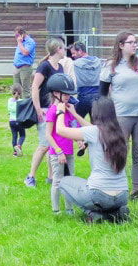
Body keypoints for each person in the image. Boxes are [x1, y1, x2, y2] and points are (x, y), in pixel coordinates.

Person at [100, 31, 138, 199]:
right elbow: (102, 94)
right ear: (121, 45)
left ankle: (136, 189)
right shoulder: (111, 65)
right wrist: (103, 118)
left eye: (136, 42)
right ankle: (118, 186)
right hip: (121, 116)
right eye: (131, 42)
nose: (135, 45)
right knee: (120, 152)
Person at [57, 97, 130, 223]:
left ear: (96, 113)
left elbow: (60, 130)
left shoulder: (93, 132)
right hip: (122, 196)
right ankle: (116, 212)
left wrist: (60, 112)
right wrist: (74, 114)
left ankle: (93, 213)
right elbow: (93, 129)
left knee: (63, 182)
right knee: (108, 201)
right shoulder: (119, 132)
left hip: (99, 195)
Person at [24, 38, 66, 188]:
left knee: (52, 145)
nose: (65, 50)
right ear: (58, 49)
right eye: (63, 48)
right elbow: (34, 87)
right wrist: (38, 108)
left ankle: (51, 177)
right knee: (44, 145)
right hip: (44, 109)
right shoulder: (44, 66)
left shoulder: (60, 67)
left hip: (56, 109)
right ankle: (30, 177)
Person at [45, 73, 78, 214]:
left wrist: (79, 140)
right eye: (65, 94)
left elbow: (73, 127)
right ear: (56, 93)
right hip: (57, 154)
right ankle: (56, 210)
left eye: (69, 95)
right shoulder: (53, 110)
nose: (68, 97)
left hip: (69, 151)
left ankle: (69, 208)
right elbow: (48, 134)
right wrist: (58, 151)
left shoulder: (69, 108)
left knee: (69, 180)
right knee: (58, 181)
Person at [70, 41, 101, 118]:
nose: (72, 55)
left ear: (80, 51)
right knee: (97, 124)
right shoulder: (98, 61)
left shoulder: (76, 63)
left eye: (74, 53)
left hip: (83, 96)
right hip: (98, 96)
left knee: (76, 121)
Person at [13, 26, 36, 98]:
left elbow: (25, 52)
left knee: (25, 90)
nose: (16, 37)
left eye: (17, 35)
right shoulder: (20, 41)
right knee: (16, 89)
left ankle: (26, 107)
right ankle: (17, 106)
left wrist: (19, 42)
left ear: (22, 34)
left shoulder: (30, 41)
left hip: (25, 67)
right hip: (17, 67)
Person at [8, 83, 26, 157]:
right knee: (22, 135)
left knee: (14, 136)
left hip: (11, 121)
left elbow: (9, 109)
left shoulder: (9, 100)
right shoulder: (21, 101)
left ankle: (15, 152)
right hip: (19, 121)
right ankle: (19, 146)